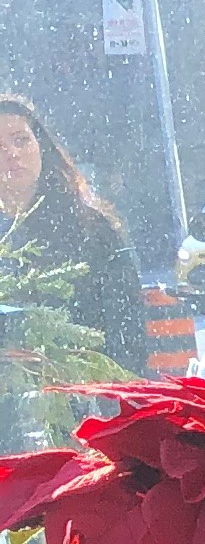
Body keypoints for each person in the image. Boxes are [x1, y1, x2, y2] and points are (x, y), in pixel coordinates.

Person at [0, 91, 148, 391]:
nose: (12, 153)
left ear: (41, 147)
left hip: (85, 392)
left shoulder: (91, 228)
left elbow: (126, 329)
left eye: (21, 140)